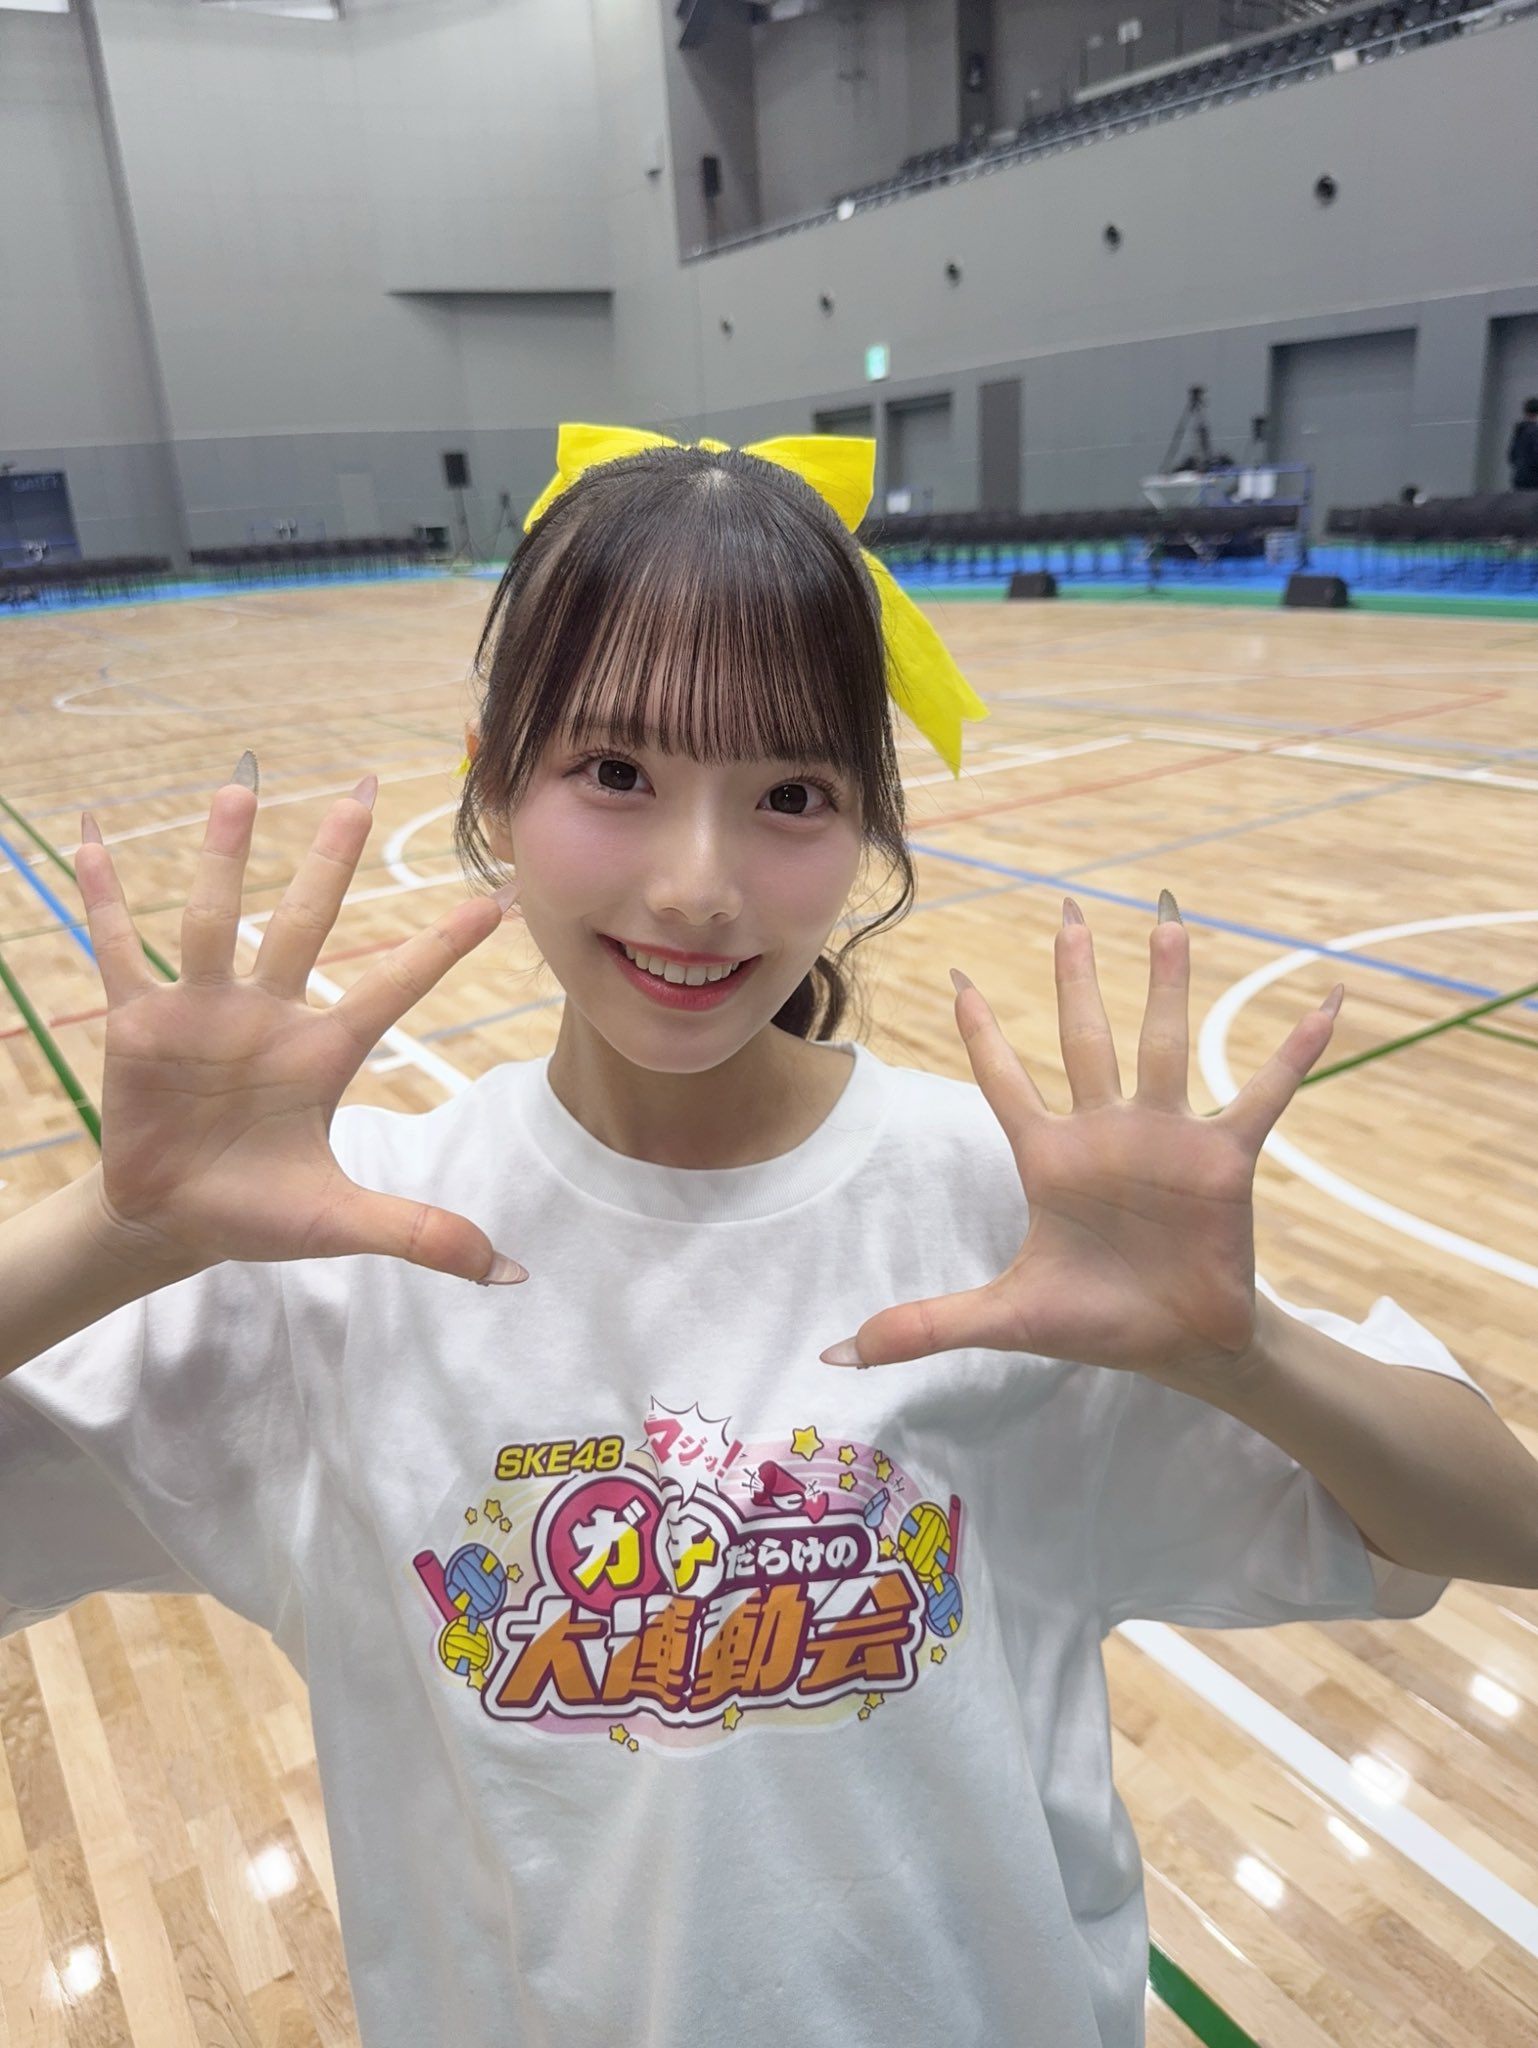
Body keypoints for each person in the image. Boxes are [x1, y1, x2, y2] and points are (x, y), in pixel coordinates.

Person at [2, 424, 1533, 2048]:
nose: (696, 884)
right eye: (616, 773)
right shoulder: (341, 1247)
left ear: (867, 824)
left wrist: (1247, 1353)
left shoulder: (1007, 1218)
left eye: (789, 794)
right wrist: (115, 1228)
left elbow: (1498, 1523)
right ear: (491, 781)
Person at [1508, 396, 1538, 490]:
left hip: (1519, 478)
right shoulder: (1535, 432)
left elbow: (1512, 456)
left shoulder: (1519, 430)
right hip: (1534, 480)